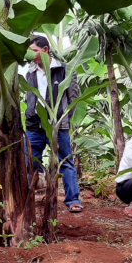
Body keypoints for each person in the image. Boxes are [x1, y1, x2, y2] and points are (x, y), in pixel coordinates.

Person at [24, 35, 83, 213]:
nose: (31, 55)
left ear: (46, 50)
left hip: (58, 125)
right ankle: (27, 198)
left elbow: (74, 97)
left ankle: (73, 200)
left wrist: (64, 118)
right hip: (34, 125)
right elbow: (30, 97)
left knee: (66, 162)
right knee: (30, 162)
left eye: (34, 51)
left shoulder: (64, 70)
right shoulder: (30, 73)